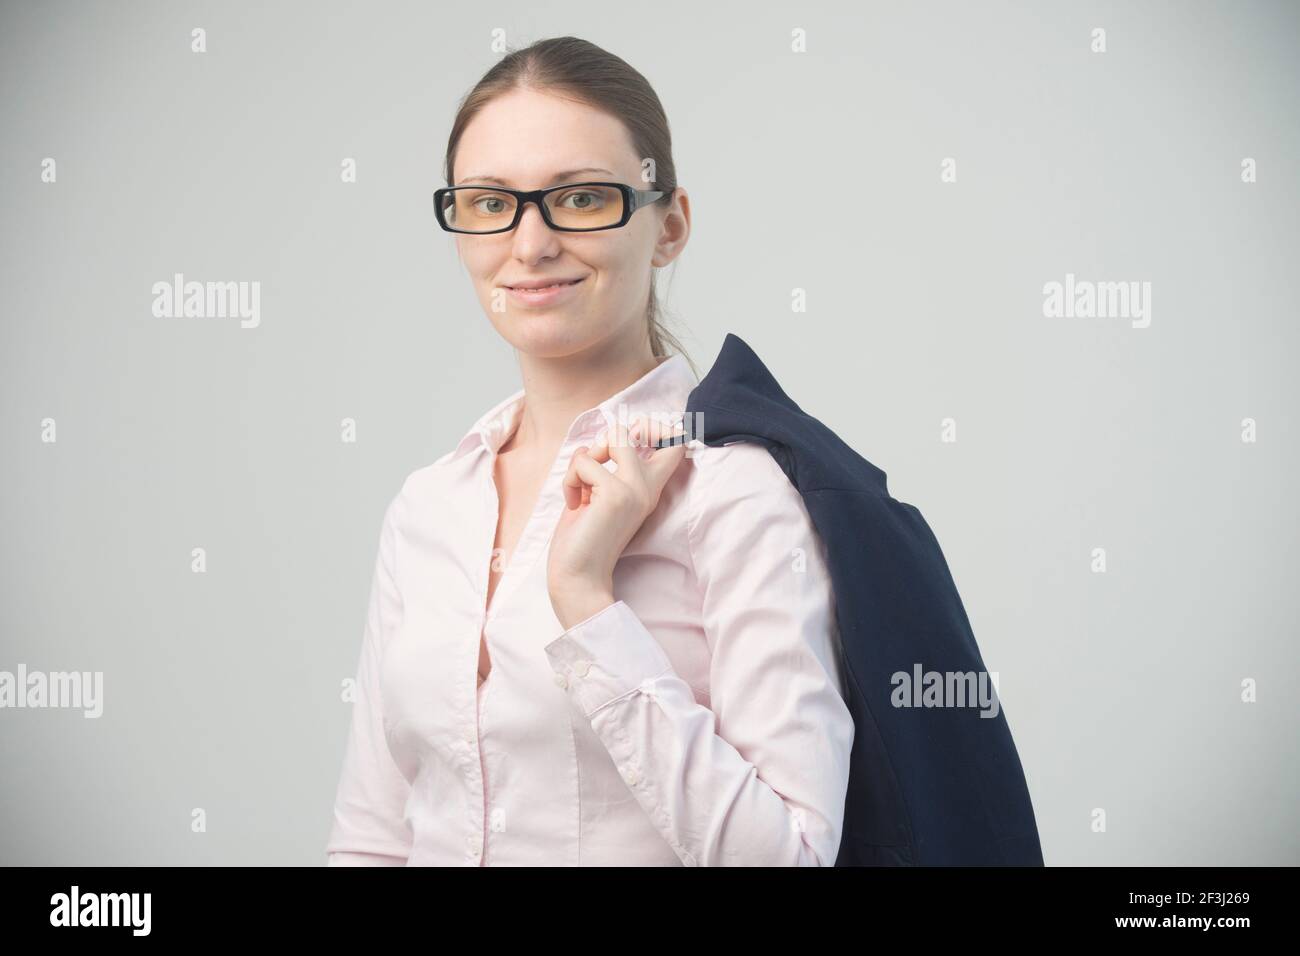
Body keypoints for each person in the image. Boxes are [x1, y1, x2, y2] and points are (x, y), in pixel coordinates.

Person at [325, 35, 854, 866]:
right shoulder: (430, 506)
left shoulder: (735, 491)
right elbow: (373, 837)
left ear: (669, 224)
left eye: (578, 198)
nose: (529, 245)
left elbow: (791, 856)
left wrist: (585, 602)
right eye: (490, 202)